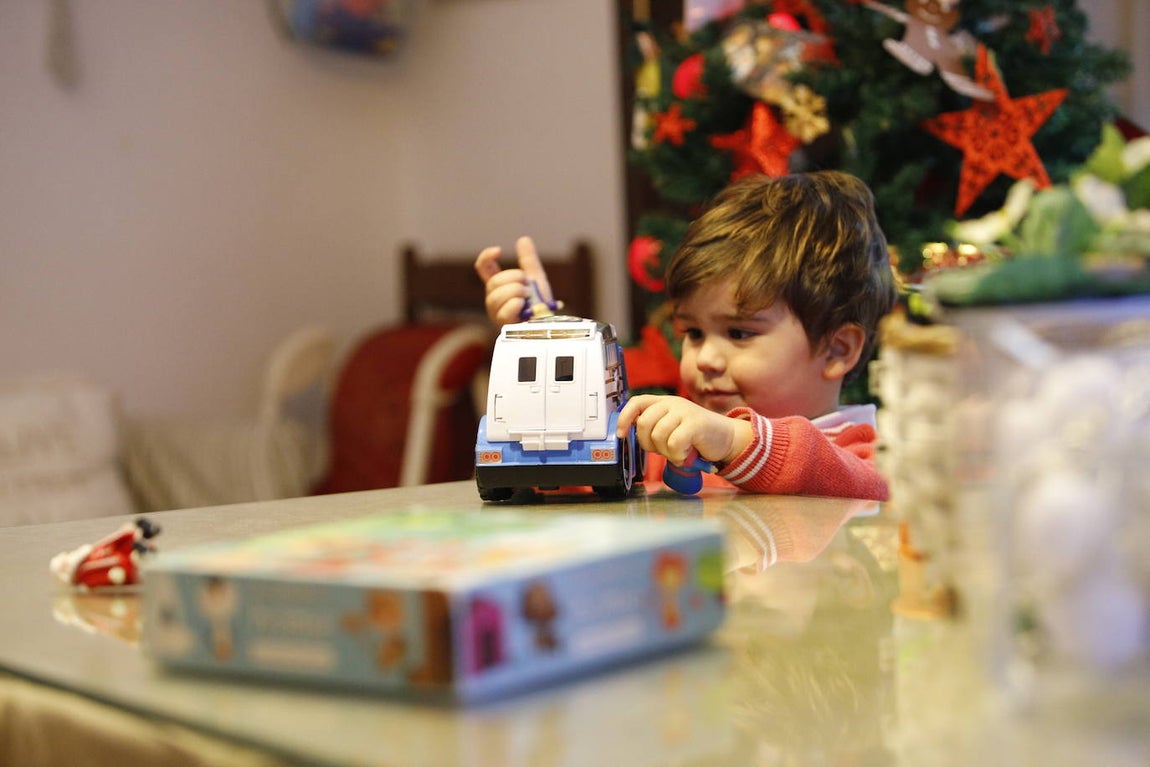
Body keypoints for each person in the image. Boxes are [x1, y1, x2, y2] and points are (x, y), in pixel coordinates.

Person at [474, 171, 897, 501]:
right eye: (693, 332)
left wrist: (736, 441)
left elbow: (867, 488)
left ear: (837, 349)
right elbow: (566, 486)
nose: (705, 358)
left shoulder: (873, 454)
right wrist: (543, 333)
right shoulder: (668, 449)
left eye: (739, 333)